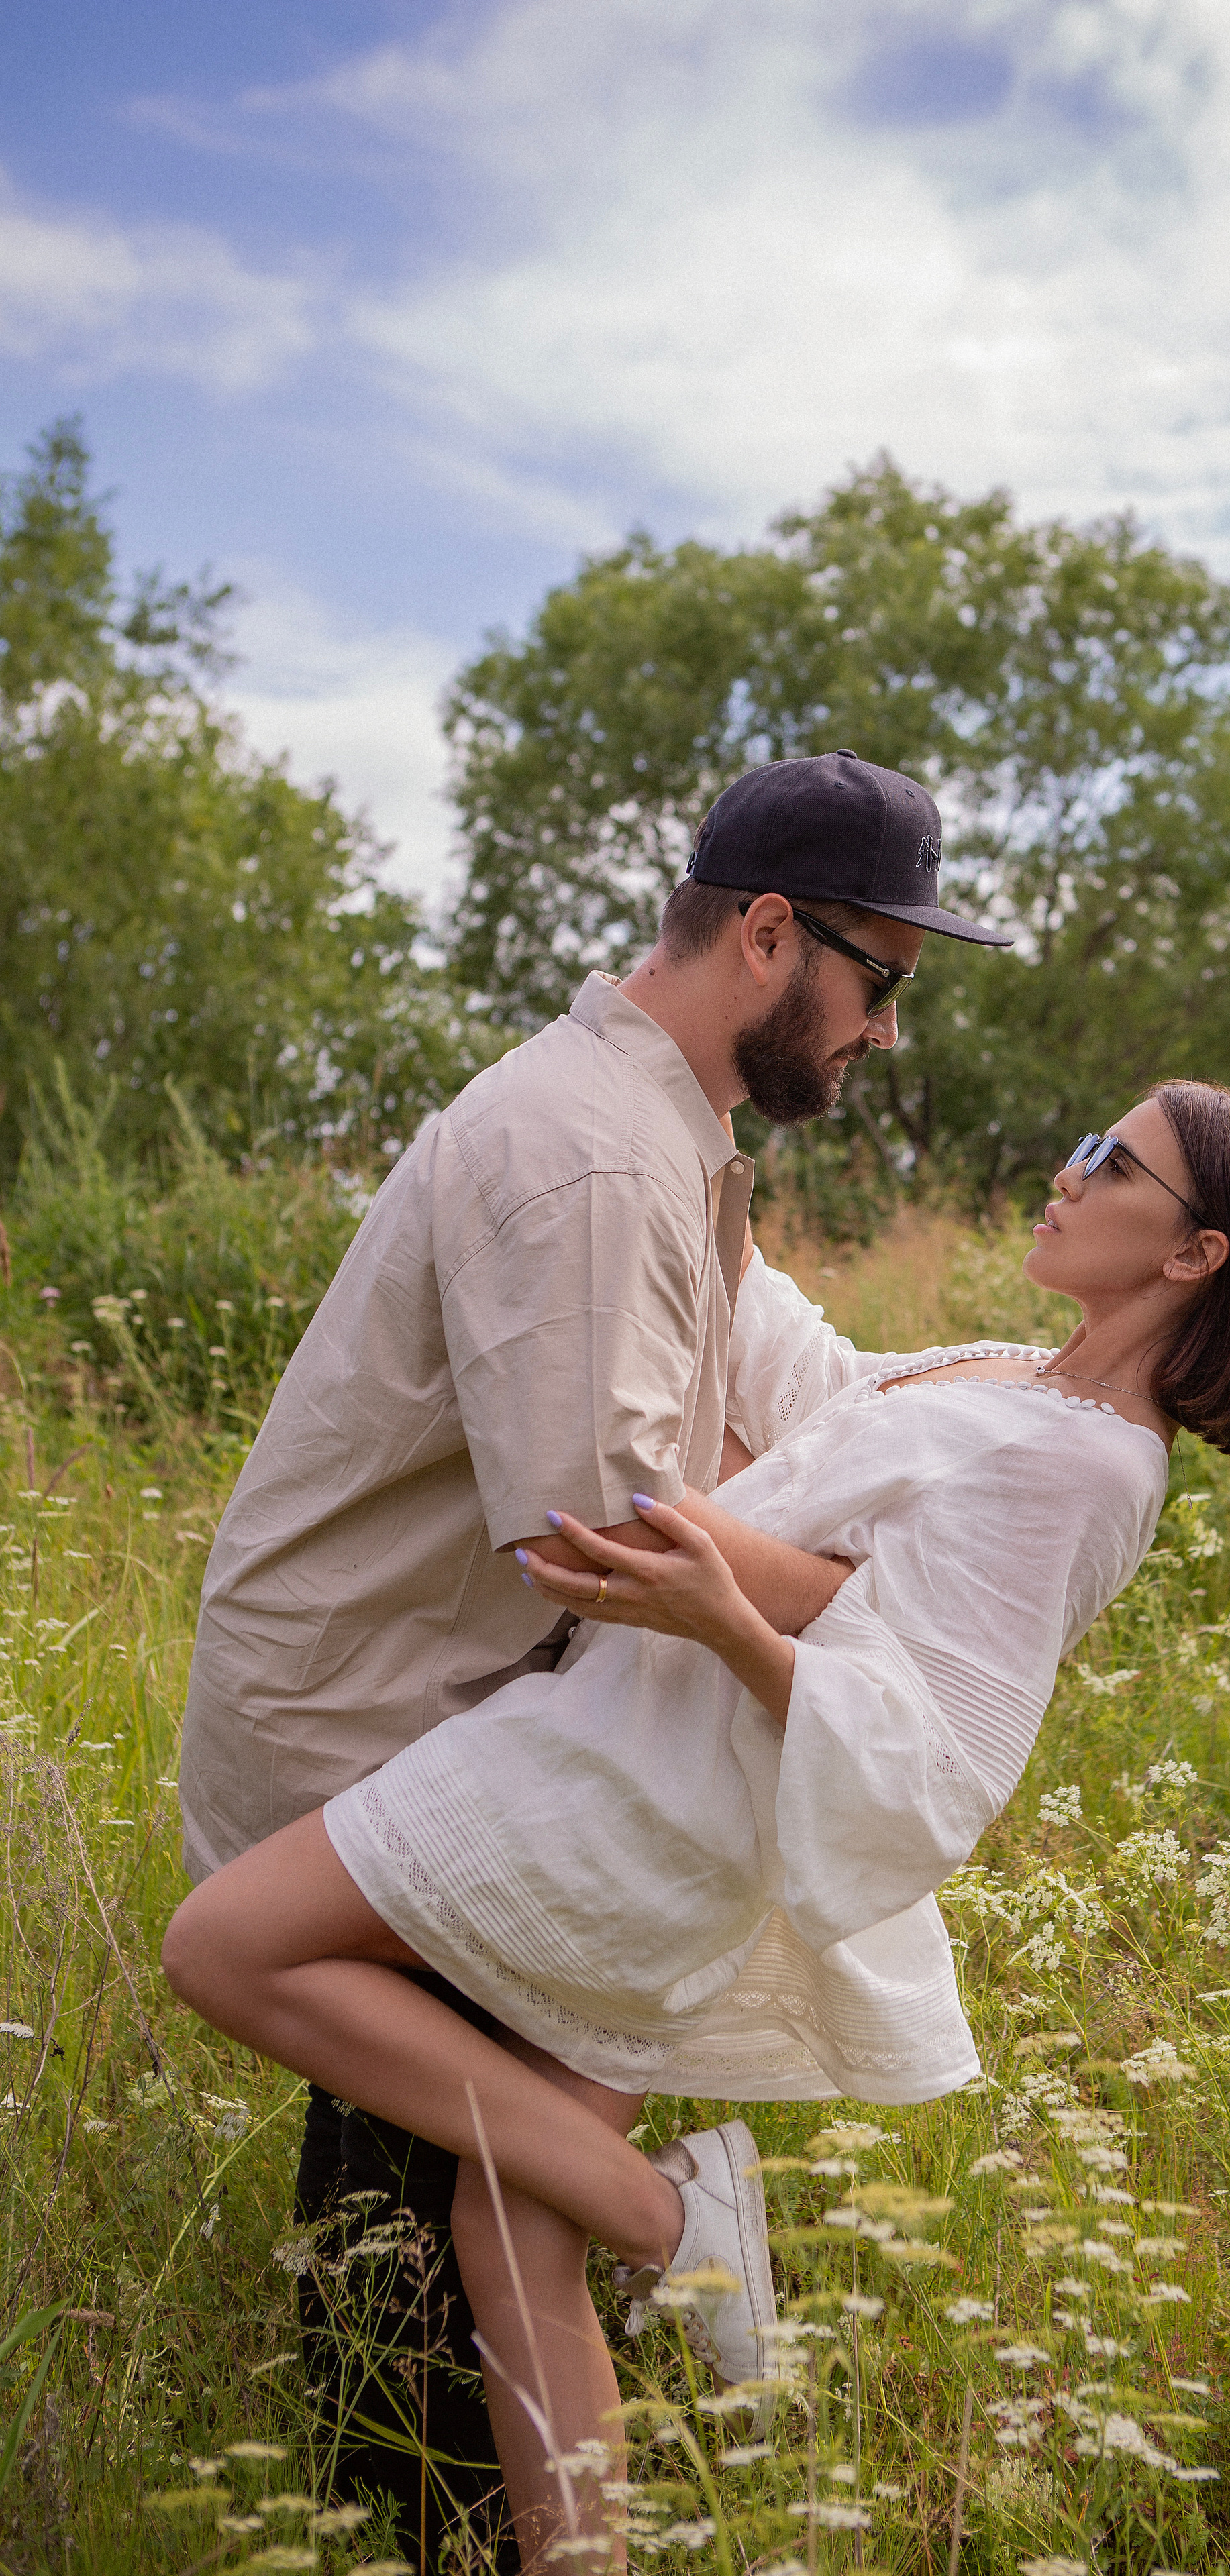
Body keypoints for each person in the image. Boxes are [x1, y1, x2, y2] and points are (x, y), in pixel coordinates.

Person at [164, 1079, 1230, 2573]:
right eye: (1077, 1141)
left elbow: (939, 1748)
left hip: (634, 1807)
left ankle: (669, 2226)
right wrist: (686, 1135)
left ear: (1194, 1255)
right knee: (507, 2232)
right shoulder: (1008, 1375)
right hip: (640, 1759)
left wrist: (728, 1617)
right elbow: (809, 1389)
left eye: (1109, 1162)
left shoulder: (1091, 1463)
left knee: (227, 1947)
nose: (1061, 1171)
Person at [173, 747, 1009, 2559]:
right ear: (773, 936)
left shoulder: (658, 1130)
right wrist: (868, 1618)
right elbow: (604, 1537)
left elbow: (725, 1426)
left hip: (473, 1710)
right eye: (884, 980)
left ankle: (480, 2503)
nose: (884, 1031)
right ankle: (611, 2289)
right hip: (376, 1719)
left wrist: (1015, 1421)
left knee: (459, 2209)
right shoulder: (590, 1154)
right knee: (419, 2238)